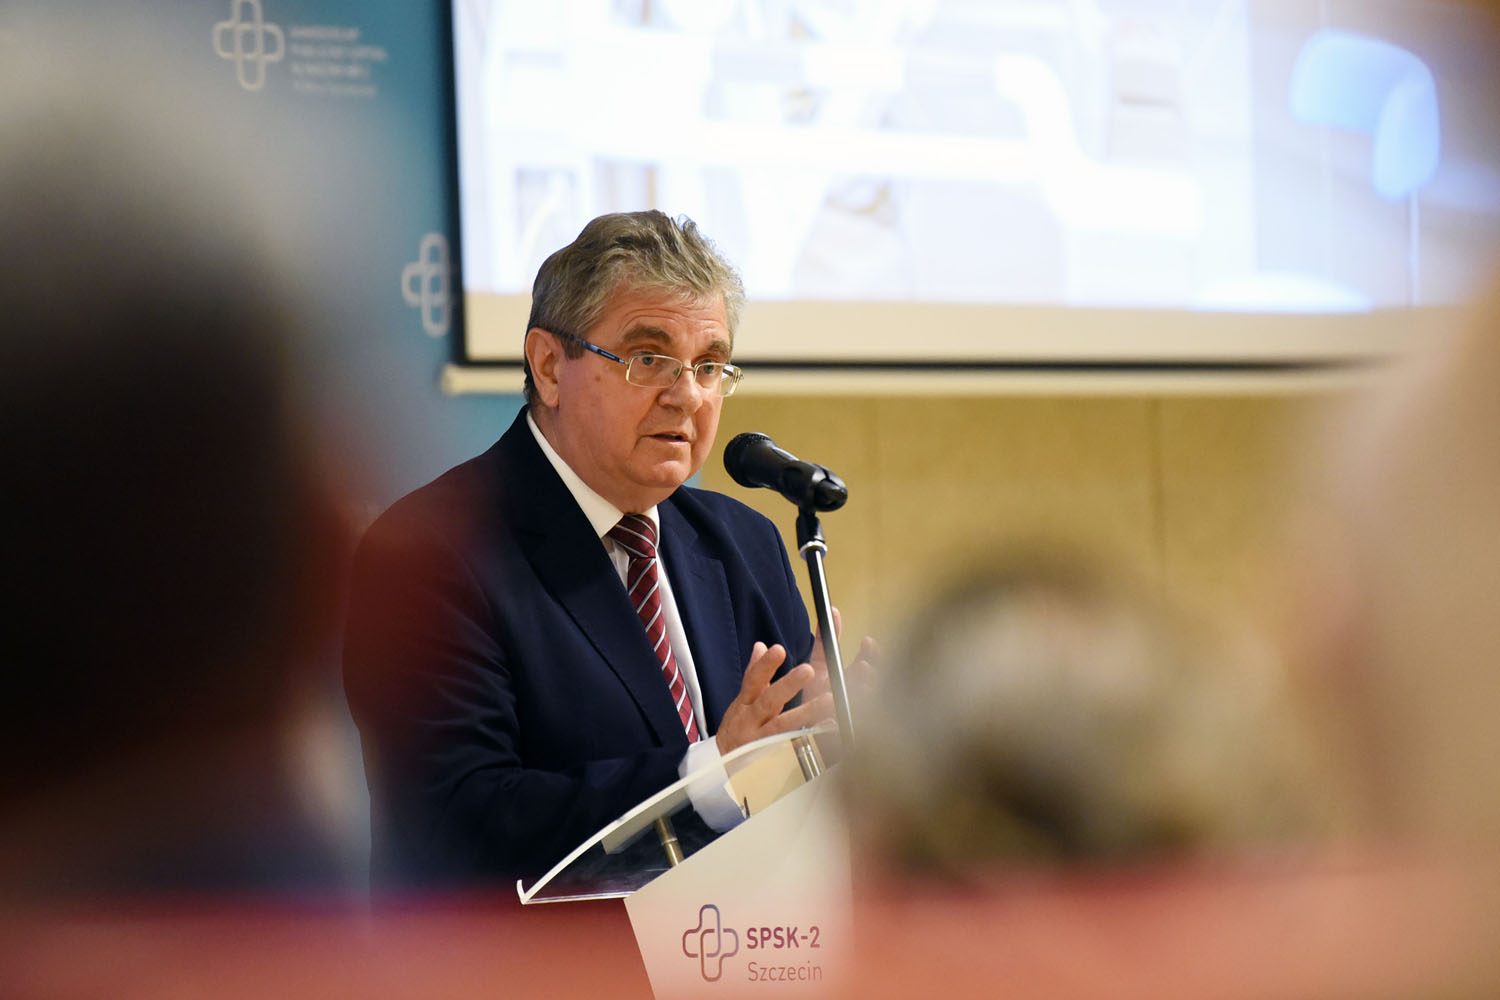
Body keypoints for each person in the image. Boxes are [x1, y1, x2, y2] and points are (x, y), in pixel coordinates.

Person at [343, 210, 871, 887]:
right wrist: (712, 776)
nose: (687, 395)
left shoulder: (746, 543)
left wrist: (822, 747)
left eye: (709, 366)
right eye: (649, 359)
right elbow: (459, 821)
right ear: (548, 366)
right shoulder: (428, 552)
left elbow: (780, 804)